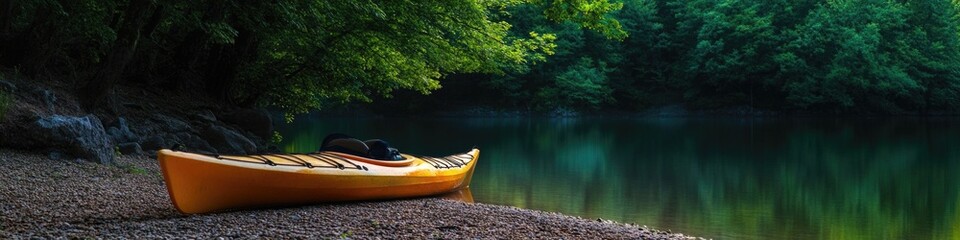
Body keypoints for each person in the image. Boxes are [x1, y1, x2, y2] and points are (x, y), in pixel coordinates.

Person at [319, 133, 405, 160]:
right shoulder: (364, 148)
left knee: (380, 146)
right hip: (332, 142)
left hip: (332, 143)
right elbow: (361, 146)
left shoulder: (364, 147)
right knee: (380, 146)